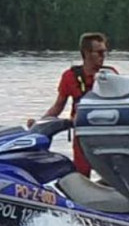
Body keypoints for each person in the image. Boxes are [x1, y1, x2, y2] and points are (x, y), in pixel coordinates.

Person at [32, 32, 117, 177]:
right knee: (81, 174)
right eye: (99, 52)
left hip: (104, 134)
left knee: (112, 175)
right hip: (82, 136)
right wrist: (39, 124)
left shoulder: (110, 75)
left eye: (105, 52)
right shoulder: (70, 76)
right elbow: (58, 106)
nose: (103, 56)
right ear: (86, 53)